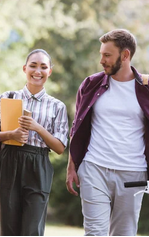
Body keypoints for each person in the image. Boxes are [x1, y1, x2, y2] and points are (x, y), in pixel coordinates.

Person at [66, 29, 149, 236]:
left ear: (125, 55)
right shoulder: (91, 84)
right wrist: (71, 165)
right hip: (94, 168)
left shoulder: (145, 89)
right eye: (101, 54)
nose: (101, 60)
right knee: (95, 232)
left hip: (133, 172)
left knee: (125, 233)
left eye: (107, 55)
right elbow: (77, 126)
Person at [0, 49, 69, 236]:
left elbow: (59, 147)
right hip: (9, 161)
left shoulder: (57, 106)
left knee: (32, 228)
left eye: (43, 67)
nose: (37, 71)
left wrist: (37, 127)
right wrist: (11, 135)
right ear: (25, 68)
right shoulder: (9, 97)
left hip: (38, 165)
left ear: (50, 71)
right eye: (33, 65)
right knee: (4, 225)